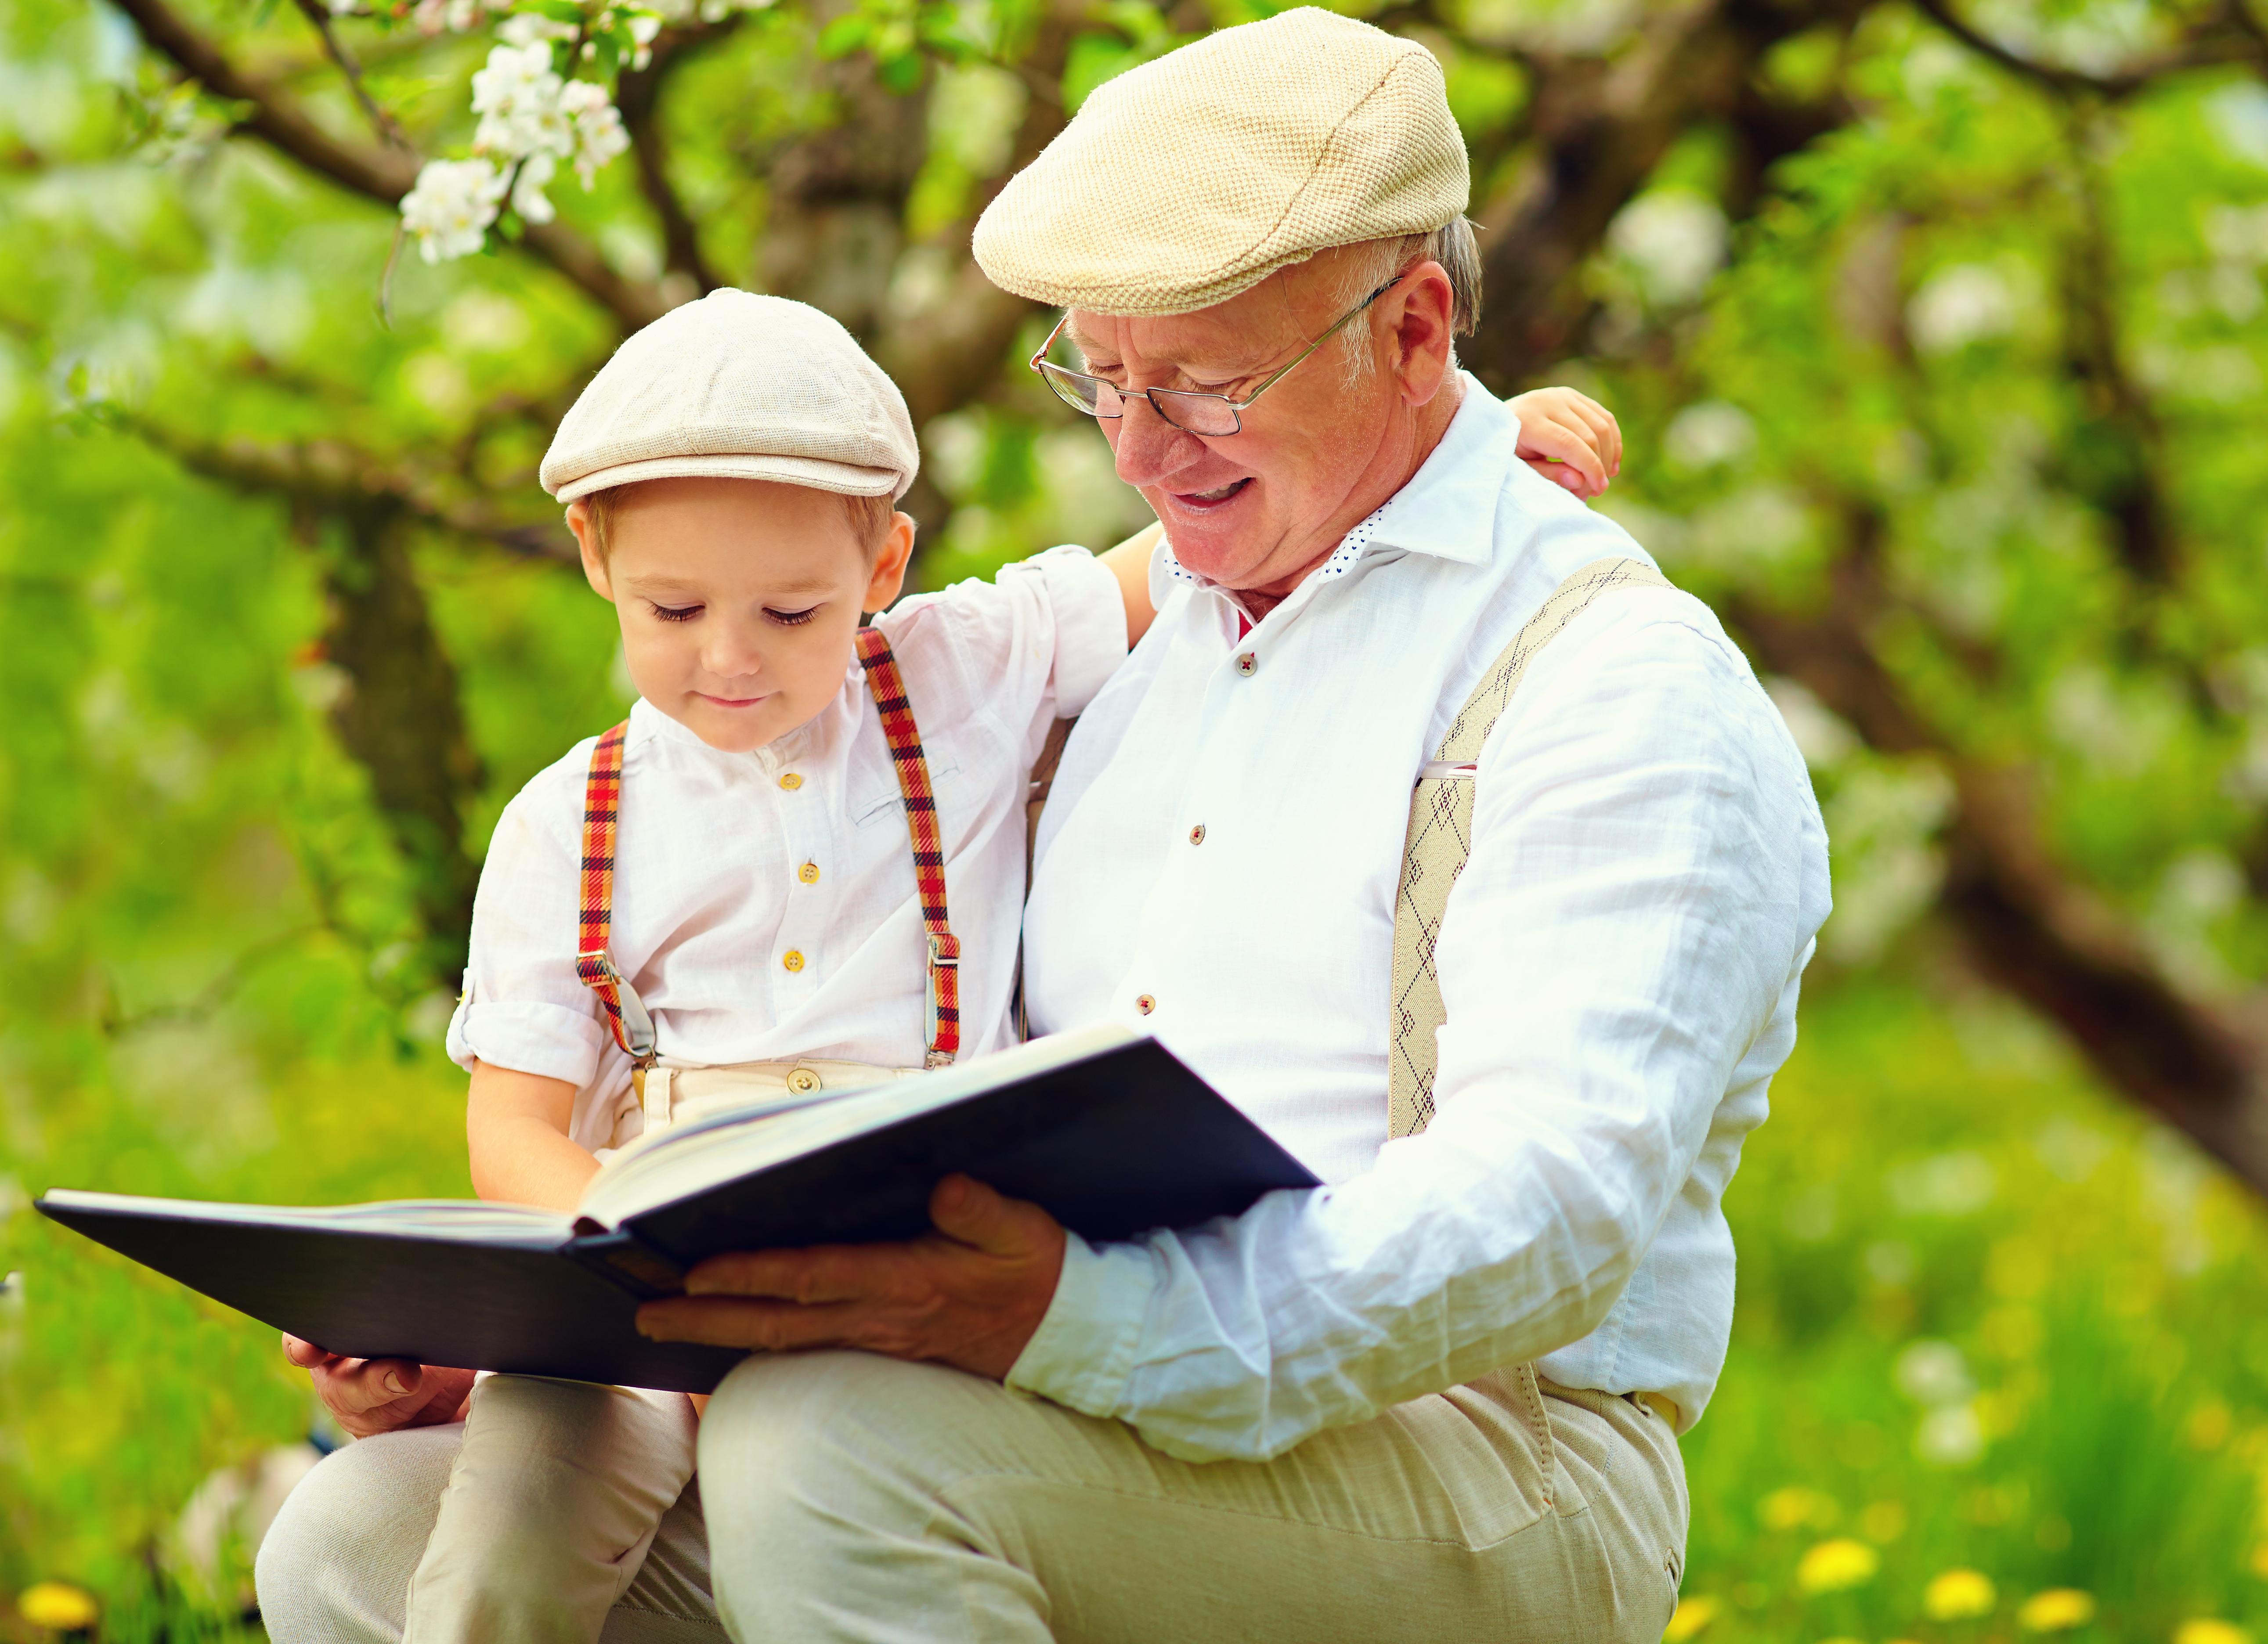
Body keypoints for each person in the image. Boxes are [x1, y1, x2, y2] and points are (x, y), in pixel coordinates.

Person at [254, 280, 1623, 1639]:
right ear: (596, 557)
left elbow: (1189, 550)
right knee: (509, 1540)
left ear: (884, 569)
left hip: (910, 1238)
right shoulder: (571, 820)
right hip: (643, 1256)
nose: (729, 661)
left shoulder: (955, 673)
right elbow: (514, 1122)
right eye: (673, 612)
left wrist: (1466, 451)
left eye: (793, 615)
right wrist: (621, 1272)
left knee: (846, 1467)